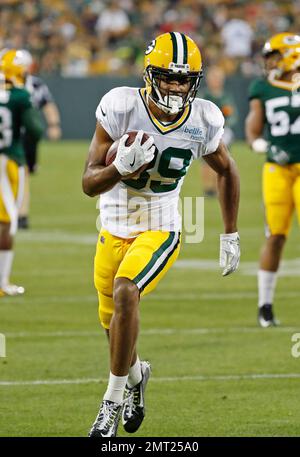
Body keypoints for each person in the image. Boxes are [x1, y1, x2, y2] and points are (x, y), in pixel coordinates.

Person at [82, 32, 240, 437]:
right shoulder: (121, 105)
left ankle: (111, 402)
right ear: (150, 75)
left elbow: (227, 171)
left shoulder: (203, 118)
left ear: (195, 82)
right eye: (168, 77)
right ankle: (136, 378)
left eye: (184, 79)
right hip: (112, 225)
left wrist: (230, 234)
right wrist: (118, 169)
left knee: (125, 292)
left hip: (161, 225)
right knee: (113, 324)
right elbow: (88, 182)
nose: (175, 86)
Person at [245, 33, 300, 327]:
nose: (269, 63)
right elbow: (253, 128)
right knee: (276, 235)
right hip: (277, 169)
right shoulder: (262, 87)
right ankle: (265, 306)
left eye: (274, 56)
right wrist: (260, 145)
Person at [0, 49, 44, 296]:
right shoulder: (20, 96)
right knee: (6, 223)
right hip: (6, 162)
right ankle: (2, 282)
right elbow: (35, 129)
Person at [16, 50, 61, 229]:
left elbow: (48, 104)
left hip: (27, 136)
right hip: (10, 134)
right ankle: (18, 214)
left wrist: (54, 124)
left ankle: (21, 215)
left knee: (23, 173)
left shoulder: (35, 85)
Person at [200, 65, 237, 197]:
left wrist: (223, 124)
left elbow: (232, 116)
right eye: (213, 78)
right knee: (205, 159)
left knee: (221, 157)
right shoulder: (204, 95)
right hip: (206, 129)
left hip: (223, 130)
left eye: (218, 78)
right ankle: (207, 188)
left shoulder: (226, 96)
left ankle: (217, 186)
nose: (215, 81)